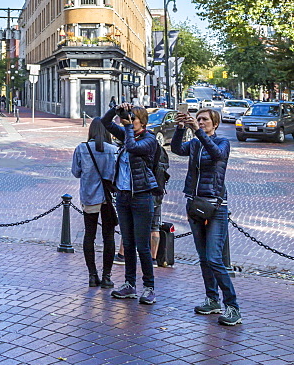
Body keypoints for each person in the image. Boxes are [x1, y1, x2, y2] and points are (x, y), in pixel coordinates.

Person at [172, 108, 241, 326]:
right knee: (203, 258)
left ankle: (233, 307)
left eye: (205, 120)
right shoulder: (194, 144)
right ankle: (212, 299)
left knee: (214, 258)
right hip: (195, 203)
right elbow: (175, 148)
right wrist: (181, 128)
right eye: (198, 119)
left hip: (215, 206)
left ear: (215, 124)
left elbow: (216, 155)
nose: (201, 122)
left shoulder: (222, 143)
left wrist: (197, 132)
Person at [101, 103, 159, 304]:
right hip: (124, 196)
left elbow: (133, 147)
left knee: (142, 245)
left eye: (132, 118)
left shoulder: (149, 139)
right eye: (128, 118)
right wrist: (116, 110)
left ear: (142, 121)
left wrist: (126, 127)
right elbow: (105, 123)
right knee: (128, 242)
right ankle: (129, 284)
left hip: (142, 196)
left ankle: (149, 287)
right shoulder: (127, 135)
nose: (128, 121)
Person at [71, 118, 118, 288]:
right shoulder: (113, 150)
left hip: (90, 196)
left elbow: (76, 172)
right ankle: (107, 276)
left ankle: (92, 275)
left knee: (89, 235)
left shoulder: (81, 149)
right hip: (108, 198)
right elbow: (116, 176)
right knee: (109, 236)